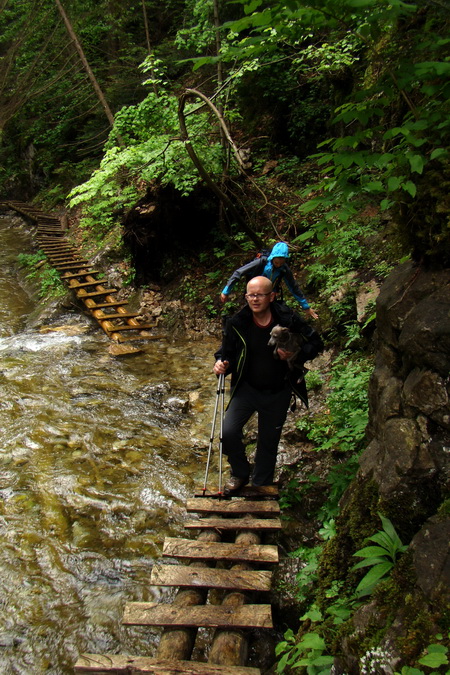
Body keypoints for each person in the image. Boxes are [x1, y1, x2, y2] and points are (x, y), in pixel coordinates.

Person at [213, 276, 323, 495]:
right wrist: (220, 363)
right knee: (228, 432)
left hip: (278, 391)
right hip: (247, 389)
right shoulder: (238, 322)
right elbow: (227, 352)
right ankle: (240, 473)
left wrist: (296, 354)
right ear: (246, 296)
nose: (254, 299)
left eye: (260, 294)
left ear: (271, 296)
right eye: (250, 295)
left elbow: (316, 343)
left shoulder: (288, 319)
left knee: (268, 442)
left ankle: (261, 484)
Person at [220, 241, 319, 320]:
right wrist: (226, 291)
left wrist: (305, 306)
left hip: (269, 296)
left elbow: (293, 287)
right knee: (249, 317)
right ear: (272, 258)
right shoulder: (261, 263)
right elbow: (238, 273)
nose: (279, 265)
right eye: (276, 262)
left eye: (281, 262)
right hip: (254, 295)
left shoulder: (284, 269)